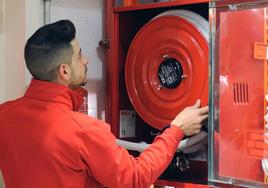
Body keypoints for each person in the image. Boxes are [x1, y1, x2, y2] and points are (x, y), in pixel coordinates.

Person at [0, 20, 208, 188]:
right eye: (79, 55)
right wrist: (177, 130)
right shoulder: (83, 131)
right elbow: (136, 178)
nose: (86, 60)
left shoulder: (4, 116)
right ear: (64, 71)